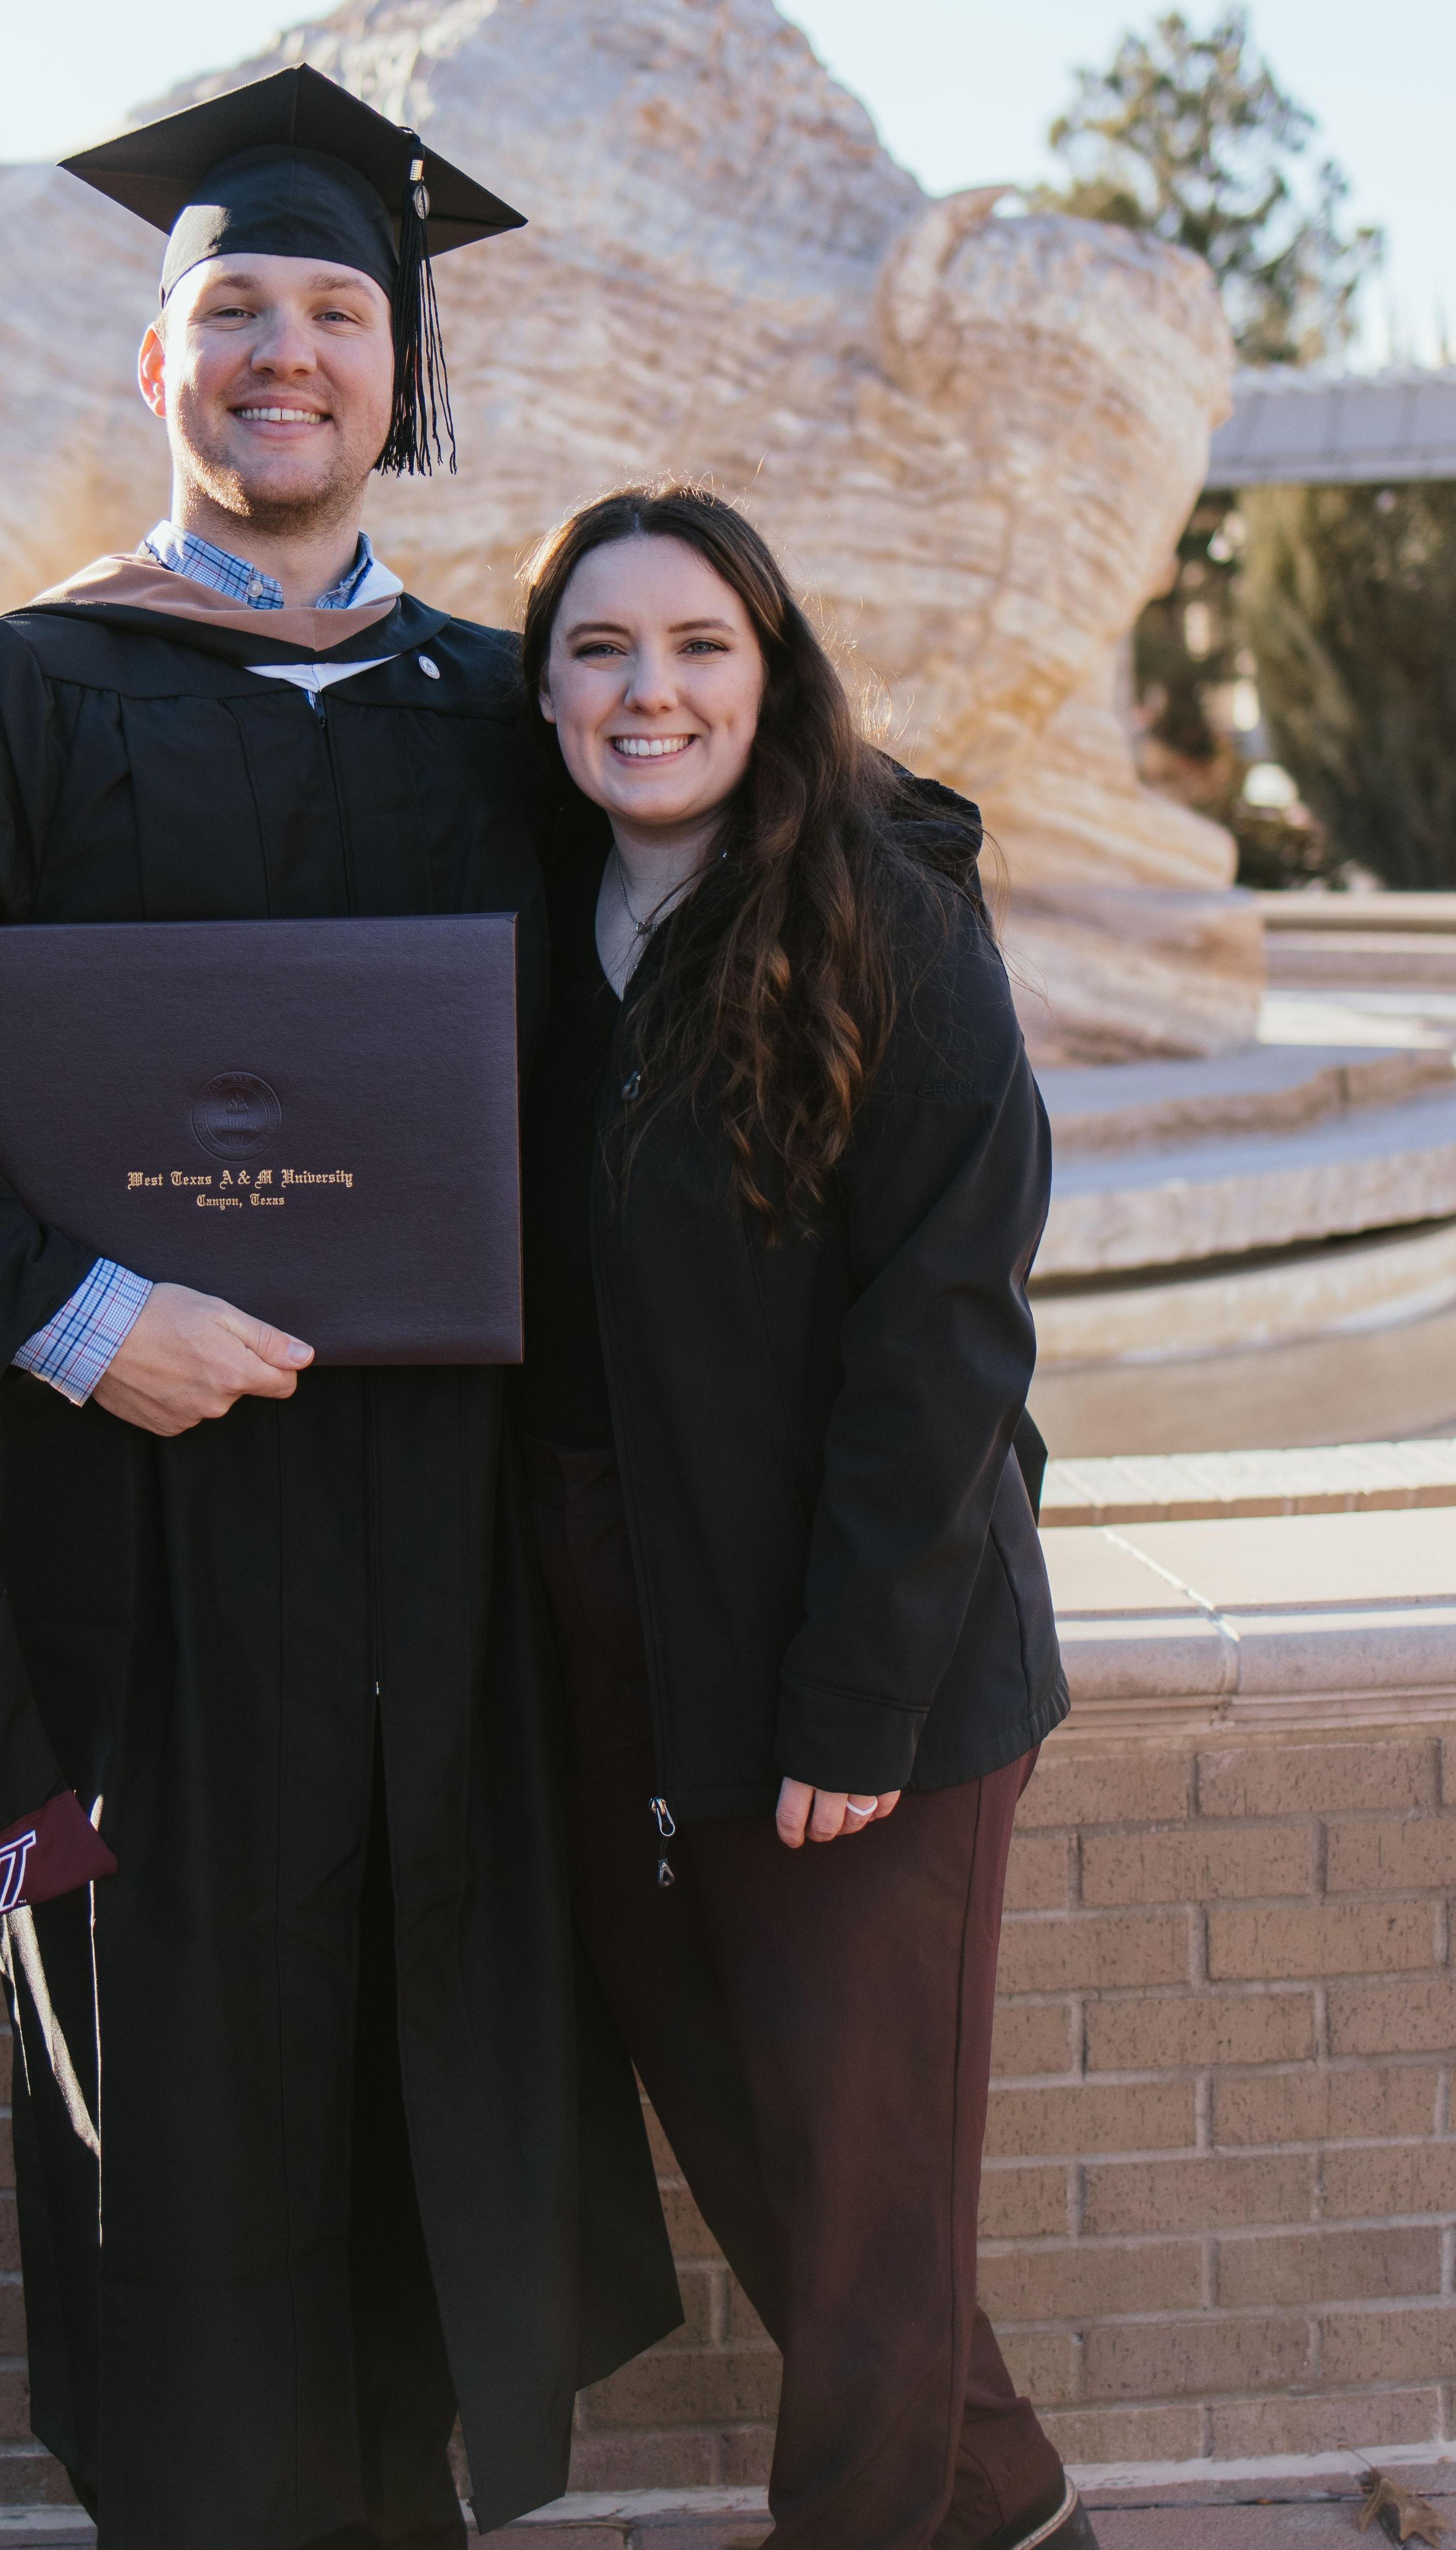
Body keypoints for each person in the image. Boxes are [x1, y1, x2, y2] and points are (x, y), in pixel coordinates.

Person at [0, 67, 677, 2550]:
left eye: (337, 310)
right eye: (229, 306)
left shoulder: (506, 714)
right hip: (149, 1572)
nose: (285, 351)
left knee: (422, 2109)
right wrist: (63, 1304)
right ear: (152, 369)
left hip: (452, 1588)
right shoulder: (14, 696)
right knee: (194, 2152)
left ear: (401, 374)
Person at [511, 486, 1093, 2550]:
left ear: (771, 673)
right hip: (625, 1627)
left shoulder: (886, 918)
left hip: (864, 1656)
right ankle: (1005, 2496)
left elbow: (942, 1347)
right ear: (546, 689)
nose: (644, 688)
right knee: (764, 2142)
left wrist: (848, 1705)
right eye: (596, 649)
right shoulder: (535, 928)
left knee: (861, 2201)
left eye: (694, 645)